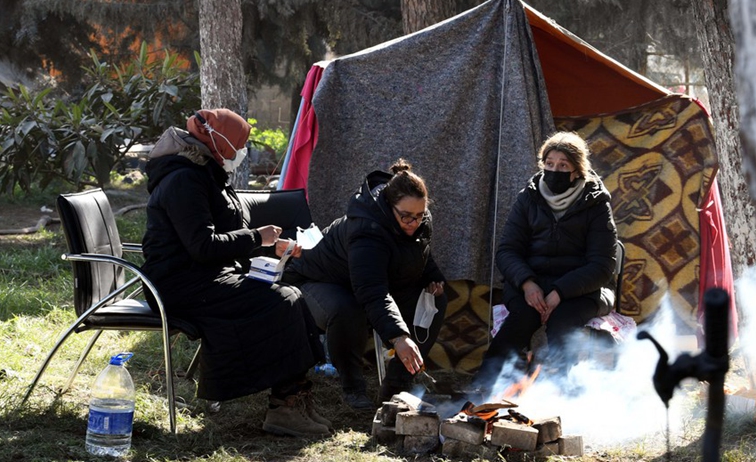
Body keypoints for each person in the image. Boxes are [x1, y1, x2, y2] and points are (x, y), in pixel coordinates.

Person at [140, 108, 331, 437]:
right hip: (179, 284)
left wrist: (269, 245)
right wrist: (258, 237)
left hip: (202, 276)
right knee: (280, 301)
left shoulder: (203, 170)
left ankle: (294, 398)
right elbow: (202, 245)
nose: (242, 153)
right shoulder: (183, 178)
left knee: (292, 297)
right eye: (240, 145)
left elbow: (221, 236)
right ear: (220, 143)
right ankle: (284, 409)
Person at [284, 159, 447, 409]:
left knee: (433, 300)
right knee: (347, 308)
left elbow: (418, 251)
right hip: (317, 280)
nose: (414, 224)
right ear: (388, 207)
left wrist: (431, 275)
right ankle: (353, 387)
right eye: (406, 217)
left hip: (365, 283)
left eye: (419, 216)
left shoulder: (418, 218)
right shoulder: (366, 229)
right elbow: (372, 291)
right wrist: (399, 337)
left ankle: (396, 388)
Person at [474, 131, 617, 391]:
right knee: (522, 319)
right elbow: (507, 250)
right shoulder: (528, 198)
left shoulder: (595, 203)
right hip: (532, 284)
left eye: (563, 165)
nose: (555, 170)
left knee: (562, 324)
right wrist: (527, 283)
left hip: (579, 290)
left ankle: (560, 395)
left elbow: (603, 265)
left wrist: (560, 292)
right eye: (549, 164)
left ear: (577, 171)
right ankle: (483, 386)